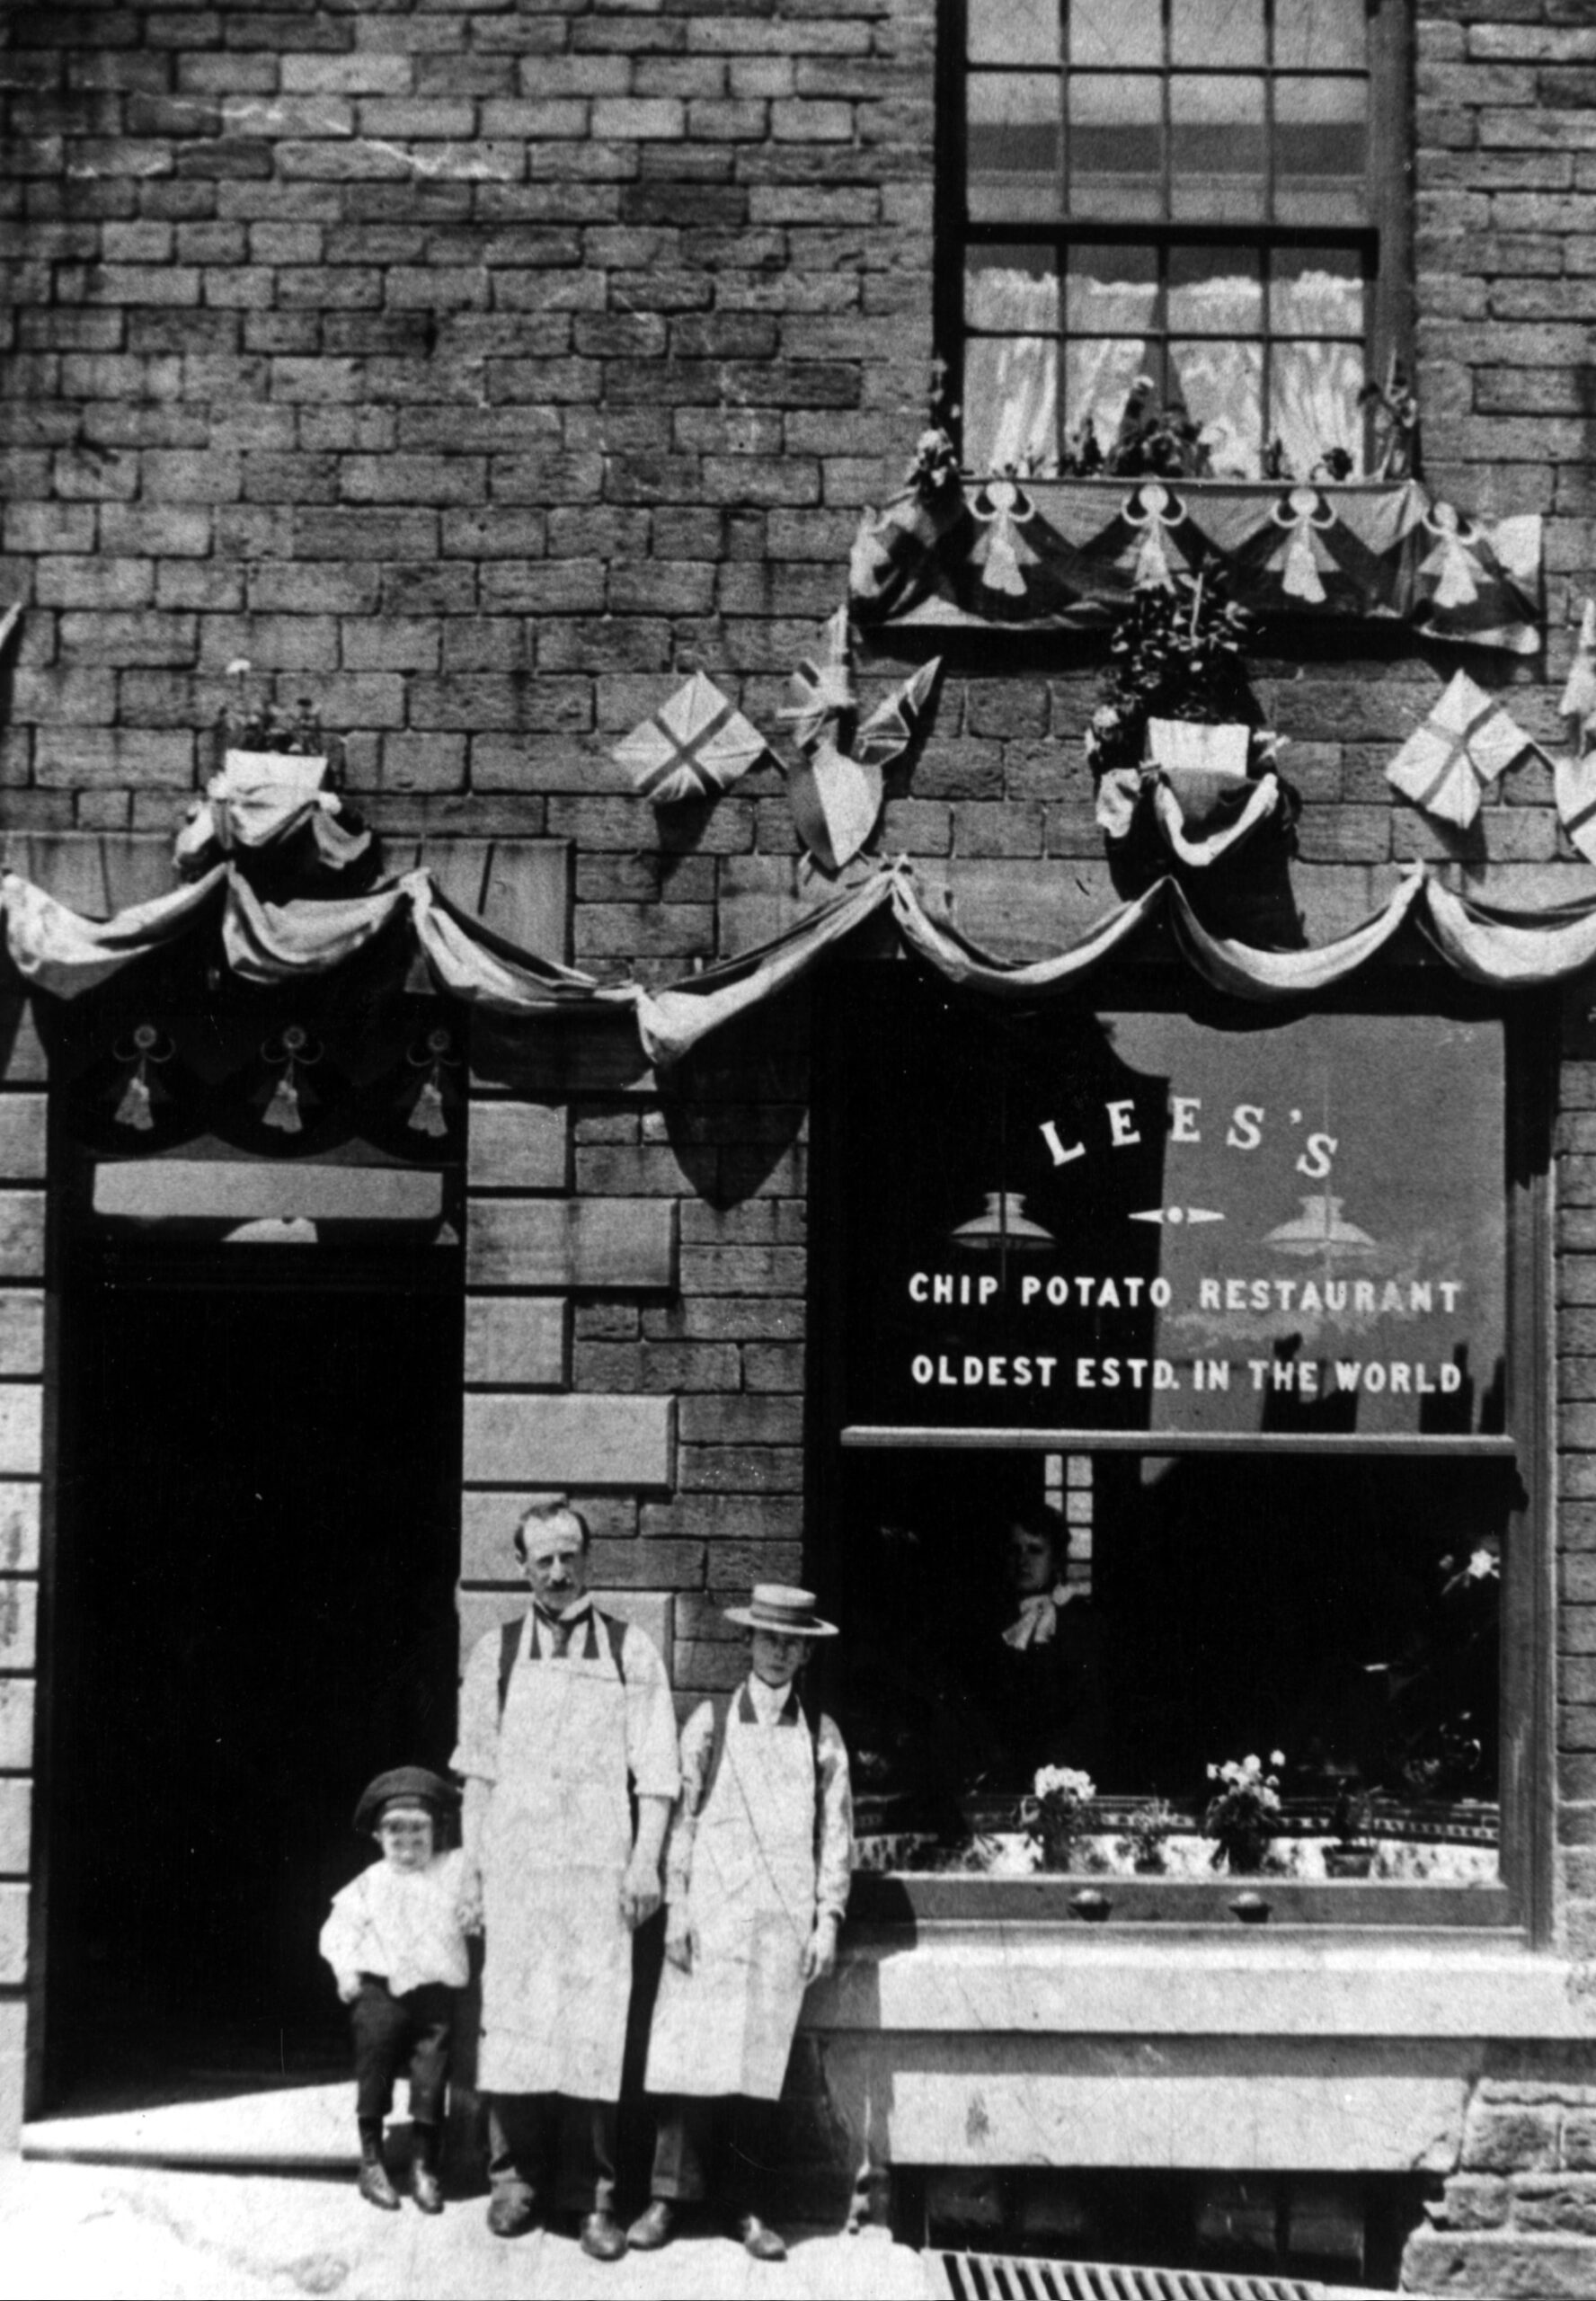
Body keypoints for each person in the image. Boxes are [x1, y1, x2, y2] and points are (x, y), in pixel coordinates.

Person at [451, 1498, 679, 2262]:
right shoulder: (497, 1653)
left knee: (593, 2028)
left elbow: (658, 1774)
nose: (557, 1572)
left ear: (589, 1561)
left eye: (569, 1557)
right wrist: (473, 1875)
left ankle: (596, 2198)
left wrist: (645, 1859)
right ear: (521, 1565)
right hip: (519, 1874)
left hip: (596, 1879)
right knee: (514, 2022)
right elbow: (477, 1776)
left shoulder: (628, 1650)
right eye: (542, 1558)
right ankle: (513, 2181)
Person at [627, 1585, 854, 2263]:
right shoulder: (711, 1723)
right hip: (712, 1920)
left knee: (758, 2069)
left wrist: (827, 1921)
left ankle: (747, 2206)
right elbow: (684, 1822)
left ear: (806, 1652)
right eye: (768, 1638)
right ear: (748, 1642)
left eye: (793, 1642)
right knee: (688, 2059)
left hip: (779, 1924)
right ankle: (668, 2198)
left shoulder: (822, 1737)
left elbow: (835, 1837)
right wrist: (678, 1909)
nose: (779, 1651)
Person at [319, 1764, 468, 2216]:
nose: (407, 1849)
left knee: (431, 2076)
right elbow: (338, 1930)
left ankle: (424, 2165)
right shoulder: (370, 1883)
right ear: (379, 1840)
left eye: (419, 1837)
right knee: (376, 2066)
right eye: (396, 1839)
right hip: (381, 1994)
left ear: (437, 1833)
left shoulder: (453, 1871)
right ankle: (372, 2161)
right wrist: (346, 1973)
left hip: (434, 1995)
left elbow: (478, 1874)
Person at [976, 1502, 1110, 1789]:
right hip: (1001, 1777)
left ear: (1057, 1560)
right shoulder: (992, 1624)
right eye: (1016, 1550)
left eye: (1035, 1550)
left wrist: (1057, 1770)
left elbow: (1090, 1712)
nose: (1023, 1561)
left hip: (1064, 1778)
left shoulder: (1080, 1622)